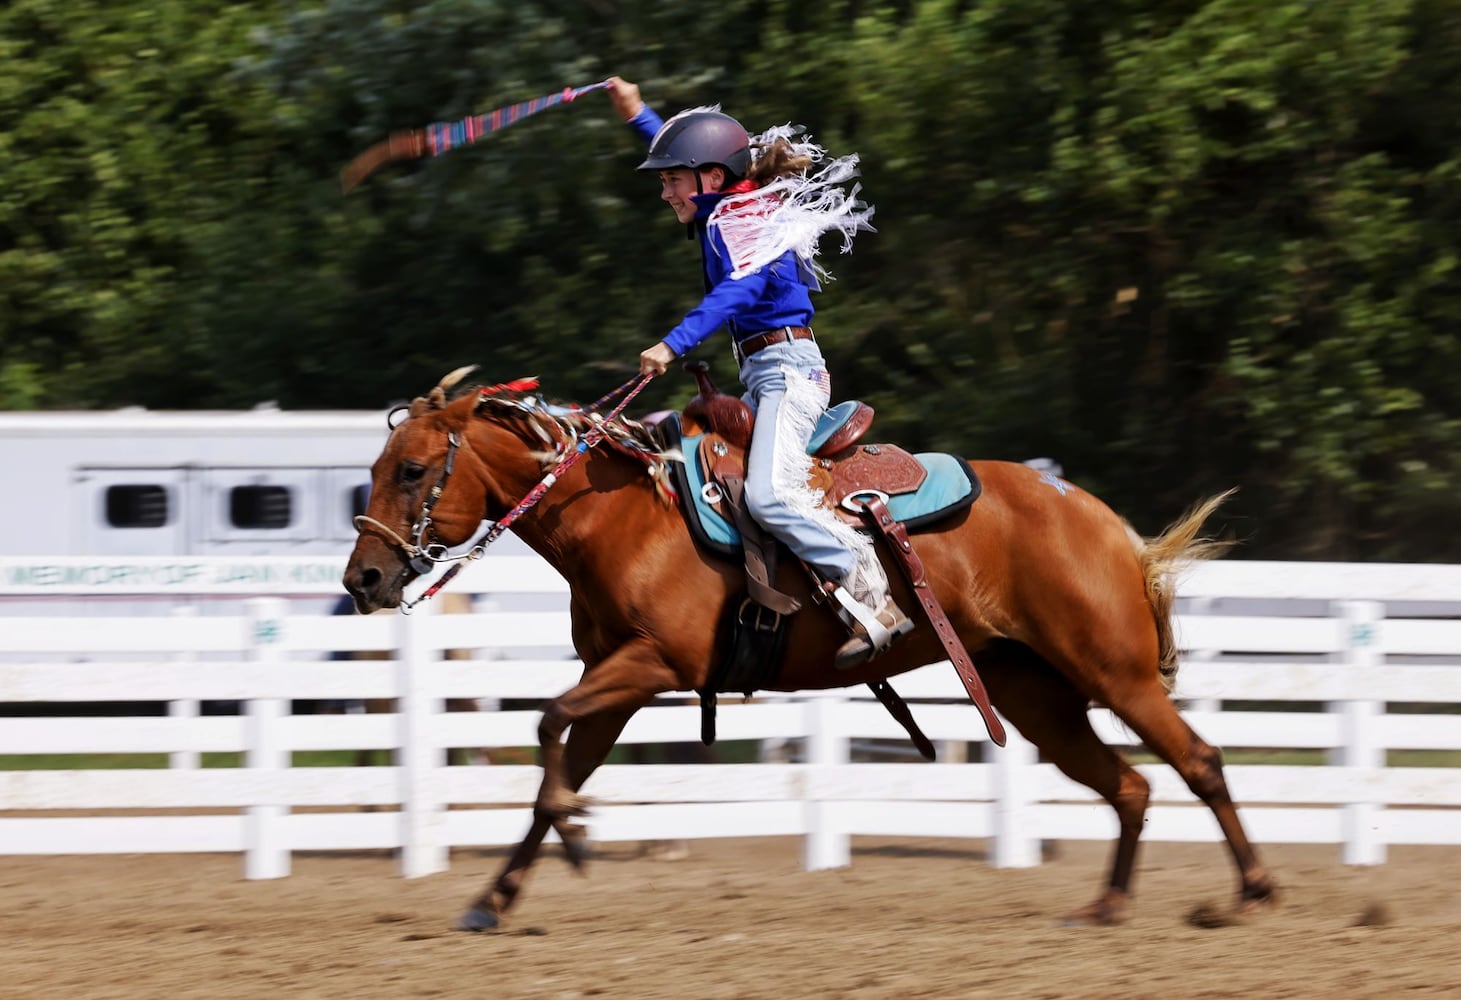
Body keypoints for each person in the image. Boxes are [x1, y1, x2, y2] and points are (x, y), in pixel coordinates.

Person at [605, 76, 912, 669]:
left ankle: (869, 587)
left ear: (711, 179)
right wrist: (638, 115)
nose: (666, 192)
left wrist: (672, 344)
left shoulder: (743, 224)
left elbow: (733, 295)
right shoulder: (733, 205)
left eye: (671, 181)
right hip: (765, 373)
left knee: (769, 497)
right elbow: (694, 154)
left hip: (790, 376)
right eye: (665, 180)